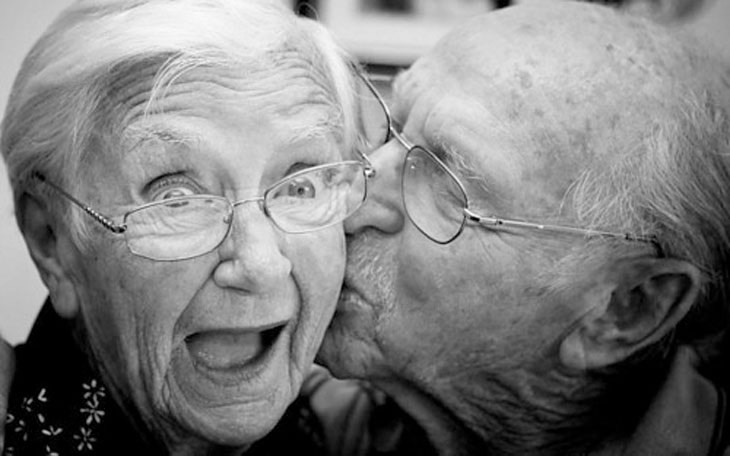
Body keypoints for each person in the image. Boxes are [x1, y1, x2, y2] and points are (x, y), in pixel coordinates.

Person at [318, 1, 730, 455]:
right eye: (390, 130)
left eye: (448, 180)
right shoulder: (300, 418)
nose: (346, 198)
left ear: (623, 310)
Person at [0, 0, 379, 453]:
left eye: (300, 187)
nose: (261, 265)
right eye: (176, 198)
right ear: (51, 242)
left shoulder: (343, 433)